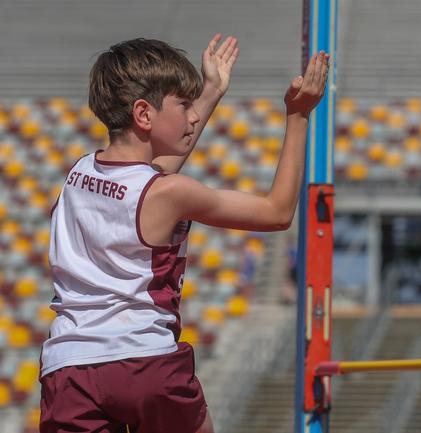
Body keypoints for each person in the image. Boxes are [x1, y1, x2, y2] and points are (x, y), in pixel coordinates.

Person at [39, 33, 329, 433]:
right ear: (143, 114)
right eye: (184, 105)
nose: (194, 117)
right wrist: (298, 117)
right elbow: (277, 213)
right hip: (145, 361)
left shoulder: (79, 174)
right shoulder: (168, 192)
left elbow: (149, 180)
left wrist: (211, 91)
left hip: (67, 367)